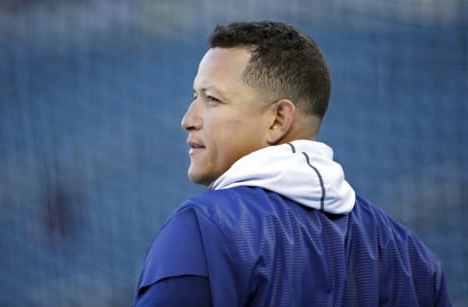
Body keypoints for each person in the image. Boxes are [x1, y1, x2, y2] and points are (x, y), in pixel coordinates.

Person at [133, 21, 451, 306]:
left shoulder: (203, 228)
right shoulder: (413, 258)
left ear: (278, 119)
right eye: (194, 97)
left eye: (212, 99)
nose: (188, 120)